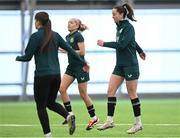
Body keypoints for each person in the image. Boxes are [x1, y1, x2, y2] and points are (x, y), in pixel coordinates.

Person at [16, 12, 89, 138]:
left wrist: (17, 58)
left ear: (38, 22)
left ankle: (48, 135)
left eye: (35, 21)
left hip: (42, 76)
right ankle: (68, 115)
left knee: (41, 106)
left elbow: (27, 57)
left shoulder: (35, 36)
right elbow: (71, 51)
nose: (35, 23)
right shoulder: (55, 35)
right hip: (56, 75)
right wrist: (83, 62)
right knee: (50, 102)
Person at [96, 4, 146, 134]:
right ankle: (109, 121)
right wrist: (140, 50)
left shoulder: (129, 27)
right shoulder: (119, 27)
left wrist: (104, 43)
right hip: (120, 65)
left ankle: (138, 123)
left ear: (121, 14)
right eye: (112, 14)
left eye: (114, 14)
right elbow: (132, 42)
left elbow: (123, 45)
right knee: (110, 90)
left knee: (132, 94)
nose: (112, 16)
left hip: (130, 65)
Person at [59, 18, 99, 130]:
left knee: (83, 94)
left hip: (81, 67)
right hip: (71, 67)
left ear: (77, 26)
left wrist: (69, 50)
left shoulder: (78, 36)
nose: (69, 24)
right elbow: (68, 49)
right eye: (68, 22)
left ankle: (94, 117)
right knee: (62, 89)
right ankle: (69, 115)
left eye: (71, 22)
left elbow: (82, 52)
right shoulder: (67, 37)